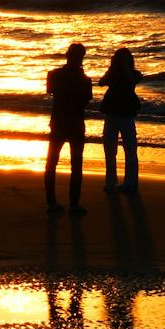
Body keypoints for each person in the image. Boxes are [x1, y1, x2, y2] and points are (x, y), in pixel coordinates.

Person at [45, 41, 92, 212]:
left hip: (58, 122)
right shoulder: (85, 79)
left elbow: (50, 91)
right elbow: (86, 100)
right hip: (76, 123)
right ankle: (74, 204)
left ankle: (51, 203)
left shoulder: (54, 74)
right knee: (76, 165)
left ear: (67, 55)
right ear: (82, 58)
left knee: (51, 163)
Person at [99, 45, 142, 193]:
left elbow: (132, 82)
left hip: (126, 114)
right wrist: (112, 68)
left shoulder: (134, 74)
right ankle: (111, 181)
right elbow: (101, 82)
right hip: (112, 113)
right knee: (110, 149)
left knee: (130, 149)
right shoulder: (113, 74)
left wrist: (124, 68)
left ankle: (131, 181)